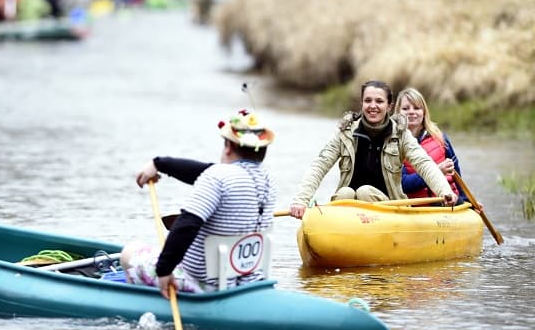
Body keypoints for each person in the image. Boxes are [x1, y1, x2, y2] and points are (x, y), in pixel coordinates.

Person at [121, 109, 277, 299]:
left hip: (206, 286)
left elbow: (187, 225)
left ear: (228, 146)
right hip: (249, 282)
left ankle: (148, 302)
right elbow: (204, 171)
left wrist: (164, 270)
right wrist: (159, 164)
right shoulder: (268, 179)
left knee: (129, 252)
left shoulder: (217, 177)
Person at [289, 80, 458, 219]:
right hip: (348, 206)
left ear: (389, 106)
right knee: (345, 193)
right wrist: (301, 201)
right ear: (362, 103)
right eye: (368, 100)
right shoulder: (345, 132)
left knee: (365, 191)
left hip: (390, 208)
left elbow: (424, 163)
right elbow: (320, 165)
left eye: (379, 101)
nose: (373, 106)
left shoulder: (401, 134)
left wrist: (444, 190)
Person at [394, 87, 468, 203]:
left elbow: (457, 174)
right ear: (398, 112)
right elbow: (403, 184)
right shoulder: (393, 145)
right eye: (405, 108)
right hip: (415, 206)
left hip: (447, 201)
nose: (411, 112)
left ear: (424, 113)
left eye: (417, 108)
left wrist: (467, 201)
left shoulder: (441, 138)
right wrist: (438, 170)